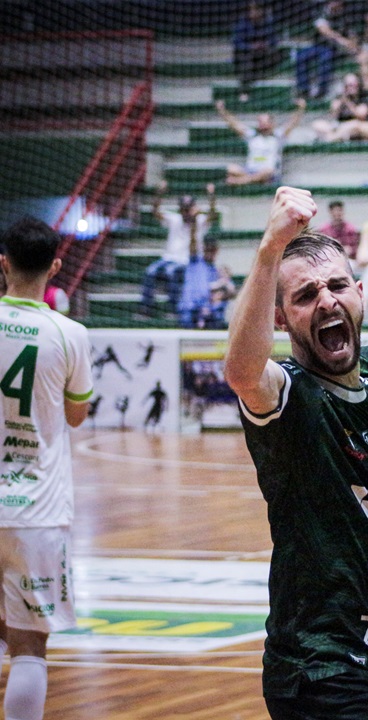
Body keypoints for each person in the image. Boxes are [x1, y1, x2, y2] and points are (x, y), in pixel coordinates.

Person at [223, 186, 368, 720]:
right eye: (305, 296)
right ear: (280, 320)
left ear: (361, 294)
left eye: (337, 286)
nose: (327, 301)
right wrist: (269, 249)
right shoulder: (289, 394)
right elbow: (242, 373)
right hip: (320, 669)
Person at [0, 216, 93, 720]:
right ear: (55, 267)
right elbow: (76, 415)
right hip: (36, 510)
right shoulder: (69, 333)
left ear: (2, 263)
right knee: (28, 648)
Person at [142, 182, 217, 317]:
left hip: (187, 261)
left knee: (172, 273)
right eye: (183, 209)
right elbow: (155, 212)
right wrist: (159, 193)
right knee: (150, 271)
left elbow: (212, 214)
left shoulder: (199, 221)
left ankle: (173, 310)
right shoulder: (175, 219)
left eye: (188, 209)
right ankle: (146, 309)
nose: (185, 212)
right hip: (168, 258)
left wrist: (211, 196)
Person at [216, 99, 307, 186]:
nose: (262, 124)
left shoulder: (278, 136)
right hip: (250, 170)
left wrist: (301, 108)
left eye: (265, 121)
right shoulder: (252, 136)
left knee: (268, 172)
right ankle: (251, 180)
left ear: (272, 123)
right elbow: (234, 124)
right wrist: (222, 111)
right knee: (231, 168)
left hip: (268, 173)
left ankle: (240, 181)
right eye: (260, 121)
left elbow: (292, 123)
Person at [295, 0, 357, 101]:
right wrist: (342, 40)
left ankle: (322, 90)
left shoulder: (345, 15)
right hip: (318, 46)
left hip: (335, 49)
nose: (336, 4)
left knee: (326, 57)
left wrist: (352, 44)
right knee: (301, 56)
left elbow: (352, 34)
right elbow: (324, 31)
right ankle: (303, 89)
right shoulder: (321, 12)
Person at [178, 236, 236, 329]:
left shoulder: (216, 271)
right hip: (190, 311)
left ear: (216, 251)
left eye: (212, 250)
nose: (209, 252)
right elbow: (192, 244)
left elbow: (232, 292)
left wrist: (224, 287)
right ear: (203, 249)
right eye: (207, 249)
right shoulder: (195, 262)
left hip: (208, 315)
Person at [232, 1, 281, 103]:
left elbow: (274, 40)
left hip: (263, 54)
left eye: (256, 10)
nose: (254, 13)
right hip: (247, 54)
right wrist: (251, 46)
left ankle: (263, 75)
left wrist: (265, 44)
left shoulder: (267, 22)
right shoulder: (243, 23)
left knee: (278, 54)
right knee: (246, 61)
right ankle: (244, 91)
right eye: (252, 10)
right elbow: (237, 43)